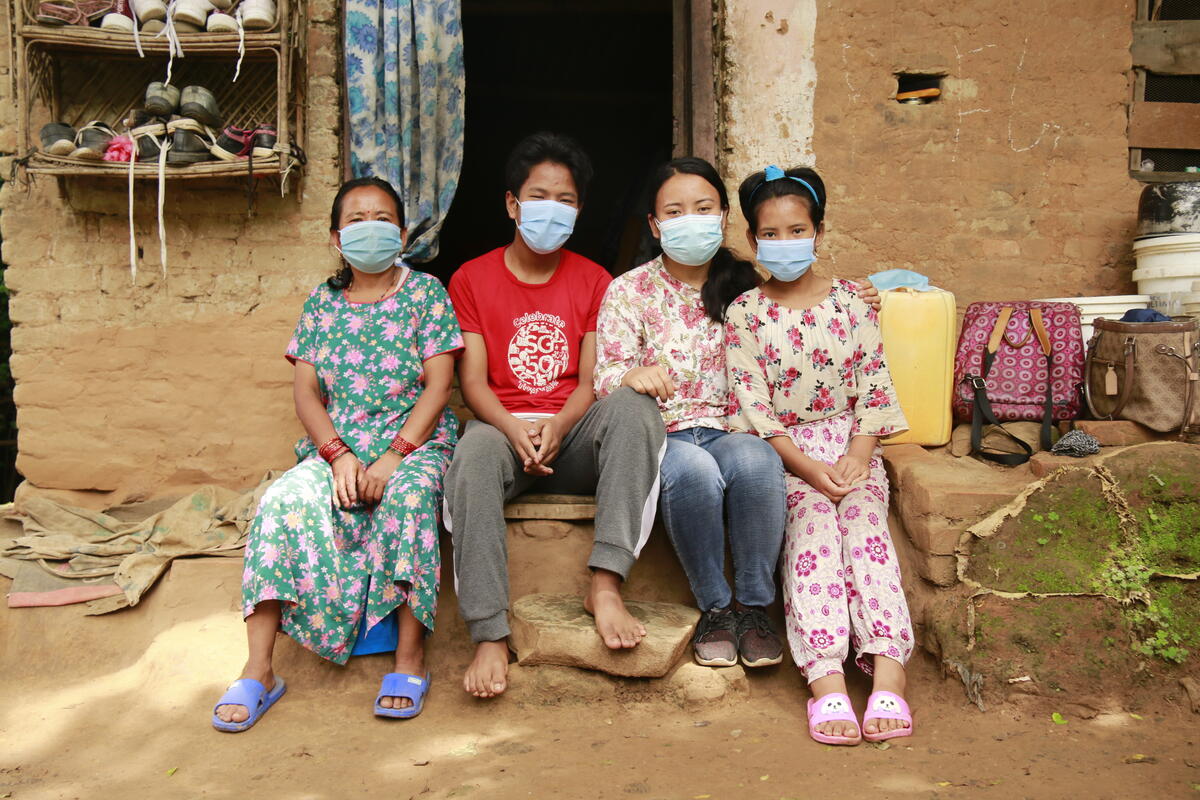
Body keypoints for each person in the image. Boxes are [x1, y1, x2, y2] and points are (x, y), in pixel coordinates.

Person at [212, 177, 463, 730]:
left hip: (414, 443)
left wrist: (394, 458)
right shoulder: (322, 304)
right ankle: (259, 670)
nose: (368, 227)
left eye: (381, 218)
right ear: (335, 237)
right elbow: (306, 392)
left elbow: (439, 386)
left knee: (410, 497)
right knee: (282, 502)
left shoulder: (426, 294)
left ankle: (409, 658)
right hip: (338, 448)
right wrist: (338, 456)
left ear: (401, 232)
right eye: (355, 219)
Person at [445, 132, 666, 700]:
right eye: (538, 196)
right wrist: (514, 428)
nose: (552, 209)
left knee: (634, 408)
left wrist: (558, 427)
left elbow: (595, 379)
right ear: (512, 204)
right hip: (503, 431)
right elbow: (472, 381)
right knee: (470, 451)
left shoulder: (595, 280)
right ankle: (490, 632)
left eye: (565, 200)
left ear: (579, 209)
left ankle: (605, 583)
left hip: (574, 432)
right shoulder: (471, 278)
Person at [724, 165, 914, 745]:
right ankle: (826, 681)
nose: (785, 243)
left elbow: (874, 385)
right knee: (812, 540)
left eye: (797, 229)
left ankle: (890, 674)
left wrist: (859, 456)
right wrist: (806, 468)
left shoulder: (854, 307)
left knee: (865, 531)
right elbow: (753, 406)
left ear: (820, 232)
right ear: (754, 242)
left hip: (851, 444)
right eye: (771, 234)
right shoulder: (745, 315)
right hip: (789, 456)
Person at [594, 157, 787, 669]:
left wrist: (857, 296)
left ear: (723, 216)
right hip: (665, 437)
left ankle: (752, 606)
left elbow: (793, 342)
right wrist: (631, 377)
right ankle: (716, 608)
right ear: (656, 226)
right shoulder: (628, 290)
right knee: (695, 472)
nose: (690, 219)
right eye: (674, 211)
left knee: (758, 464)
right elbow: (605, 378)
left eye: (703, 208)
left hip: (729, 429)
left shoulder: (749, 286)